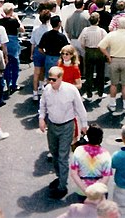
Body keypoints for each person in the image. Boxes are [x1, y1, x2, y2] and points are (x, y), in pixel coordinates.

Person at [39, 66, 89, 199]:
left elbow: (80, 107)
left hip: (67, 126)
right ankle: (59, 176)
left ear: (61, 78)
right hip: (52, 125)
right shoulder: (47, 90)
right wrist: (41, 119)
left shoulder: (71, 90)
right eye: (49, 79)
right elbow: (42, 104)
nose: (51, 82)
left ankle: (62, 186)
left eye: (54, 80)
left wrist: (84, 124)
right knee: (54, 153)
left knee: (62, 156)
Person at [69, 124, 112, 198]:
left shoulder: (79, 150)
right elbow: (106, 176)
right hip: (99, 192)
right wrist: (97, 191)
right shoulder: (105, 154)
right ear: (101, 138)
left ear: (88, 137)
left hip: (82, 191)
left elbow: (74, 174)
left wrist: (85, 189)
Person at [79, 13, 107, 100]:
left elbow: (81, 42)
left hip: (89, 51)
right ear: (98, 21)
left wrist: (87, 48)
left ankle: (89, 94)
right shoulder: (102, 31)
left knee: (89, 74)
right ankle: (100, 93)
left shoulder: (85, 30)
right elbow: (106, 42)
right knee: (100, 73)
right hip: (99, 52)